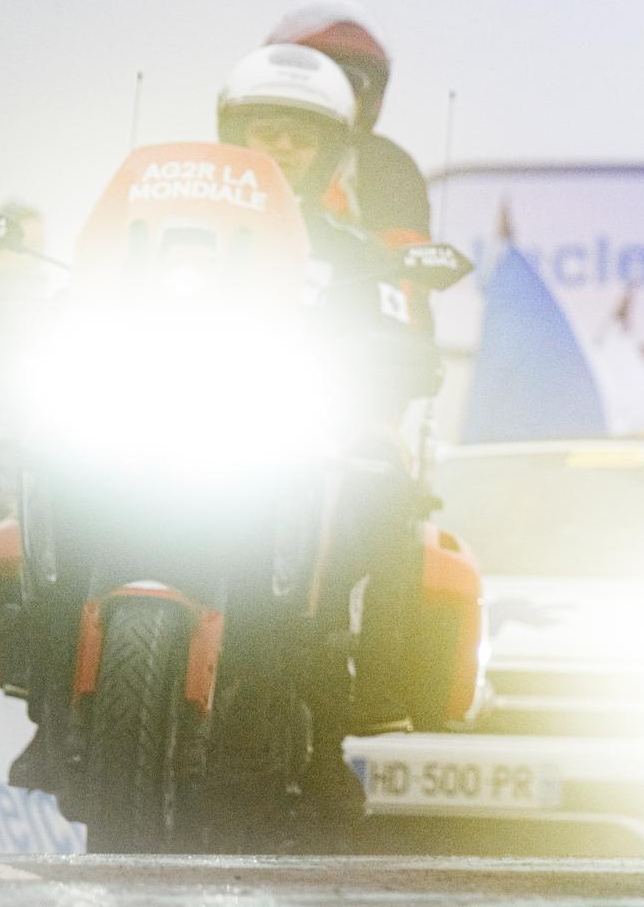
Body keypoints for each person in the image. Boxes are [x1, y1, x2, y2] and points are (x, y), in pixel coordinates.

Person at [216, 42, 437, 818]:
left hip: (296, 444)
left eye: (297, 135)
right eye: (265, 128)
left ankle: (359, 697)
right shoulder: (176, 228)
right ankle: (52, 690)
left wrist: (402, 355)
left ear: (328, 152)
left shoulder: (356, 254)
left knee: (388, 479)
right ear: (231, 133)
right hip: (174, 430)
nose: (278, 147)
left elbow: (409, 343)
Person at [265, 0, 432, 248]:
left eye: (349, 79)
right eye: (316, 73)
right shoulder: (234, 153)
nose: (285, 144)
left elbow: (406, 271)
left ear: (369, 98)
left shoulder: (386, 165)